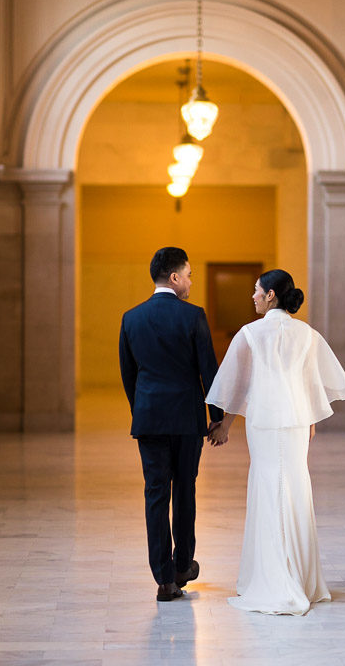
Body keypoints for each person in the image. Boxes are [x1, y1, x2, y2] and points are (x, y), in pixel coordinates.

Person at [206, 268, 345, 615]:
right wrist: (310, 419)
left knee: (269, 487)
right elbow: (311, 382)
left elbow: (237, 385)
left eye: (256, 291)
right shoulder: (306, 333)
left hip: (265, 422)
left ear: (271, 294)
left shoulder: (250, 333)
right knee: (296, 487)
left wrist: (225, 426)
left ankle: (273, 577)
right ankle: (302, 578)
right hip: (297, 423)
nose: (253, 296)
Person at [119, 247, 223, 602]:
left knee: (155, 494)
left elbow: (128, 374)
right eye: (189, 275)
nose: (191, 281)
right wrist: (217, 417)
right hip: (185, 419)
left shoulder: (131, 318)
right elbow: (208, 369)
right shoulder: (193, 316)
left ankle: (163, 579)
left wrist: (144, 409)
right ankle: (182, 566)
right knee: (185, 490)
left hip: (149, 419)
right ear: (175, 278)